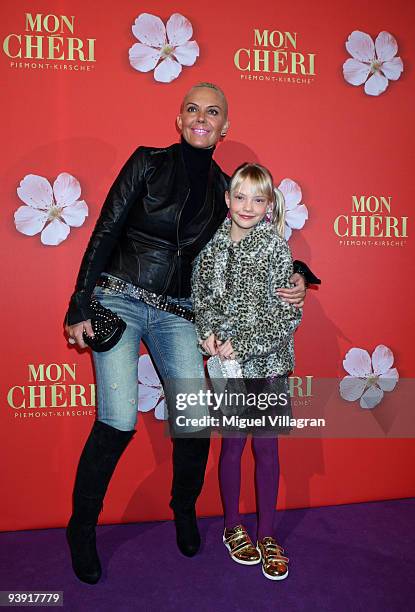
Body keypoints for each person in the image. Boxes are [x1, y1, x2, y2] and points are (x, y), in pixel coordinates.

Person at [64, 83, 311, 585]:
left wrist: (299, 272)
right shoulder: (147, 162)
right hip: (119, 298)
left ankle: (184, 511)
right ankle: (81, 528)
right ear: (179, 120)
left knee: (194, 420)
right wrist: (79, 301)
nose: (201, 117)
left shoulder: (226, 188)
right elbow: (106, 229)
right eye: (193, 109)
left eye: (212, 111)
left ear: (225, 127)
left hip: (180, 313)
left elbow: (251, 240)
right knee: (117, 420)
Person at [192, 162, 302, 580]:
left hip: (269, 365)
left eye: (259, 199)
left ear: (269, 204)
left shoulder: (277, 250)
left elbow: (286, 315)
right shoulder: (211, 252)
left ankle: (268, 534)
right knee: (234, 445)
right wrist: (209, 336)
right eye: (241, 196)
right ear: (227, 199)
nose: (248, 206)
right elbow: (202, 302)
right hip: (227, 366)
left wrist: (247, 343)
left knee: (268, 449)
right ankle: (233, 526)